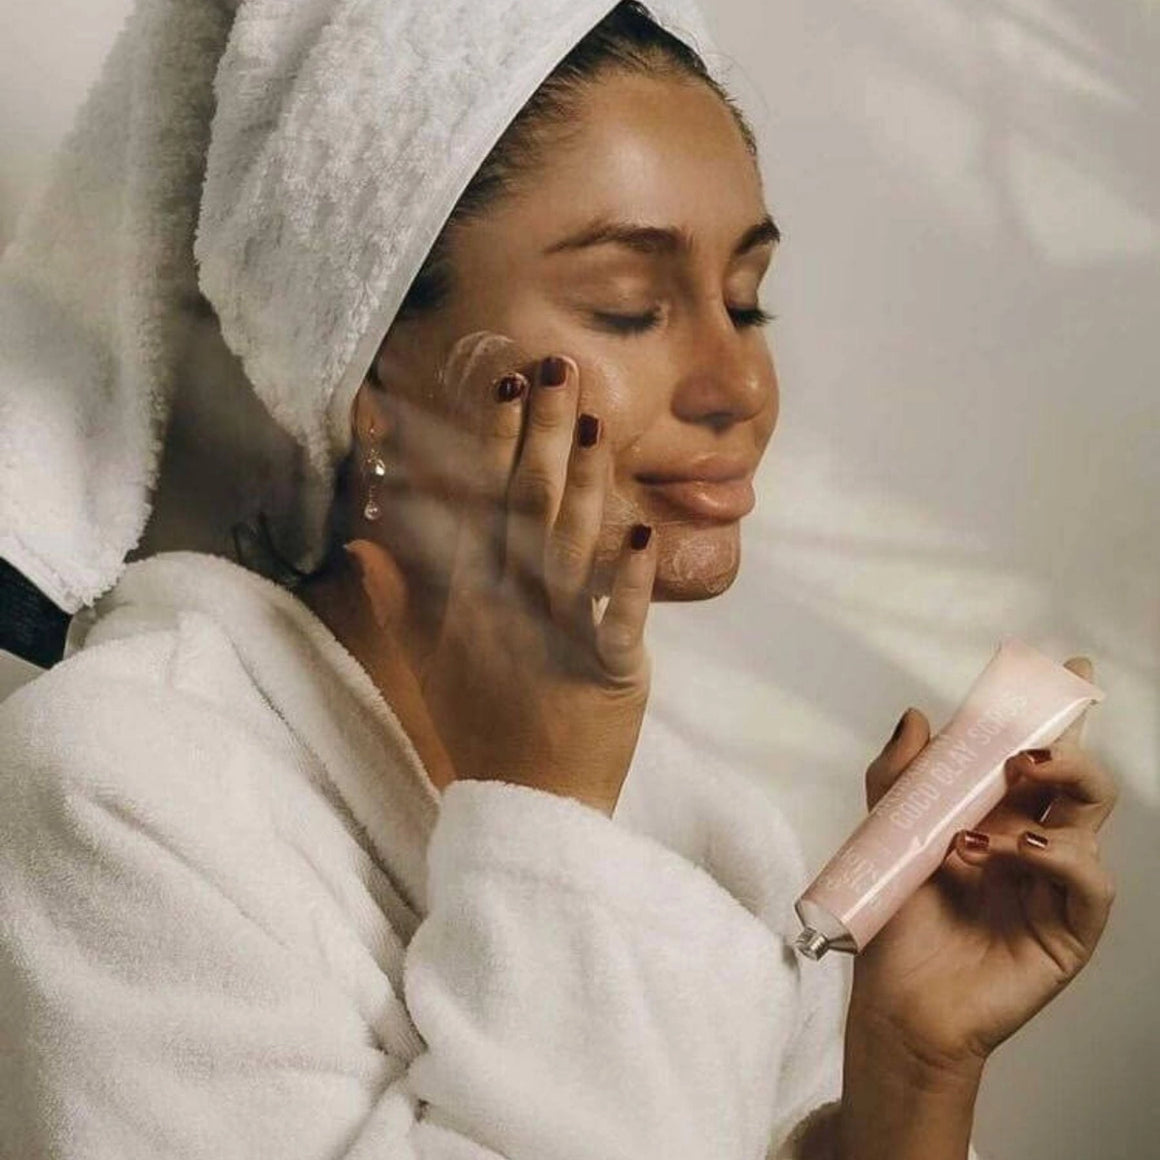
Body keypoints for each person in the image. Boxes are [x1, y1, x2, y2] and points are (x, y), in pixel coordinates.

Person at [0, 2, 1117, 1158]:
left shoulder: (708, 828)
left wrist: (906, 1082)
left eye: (747, 300)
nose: (738, 384)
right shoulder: (116, 788)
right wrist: (545, 814)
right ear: (366, 361)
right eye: (629, 308)